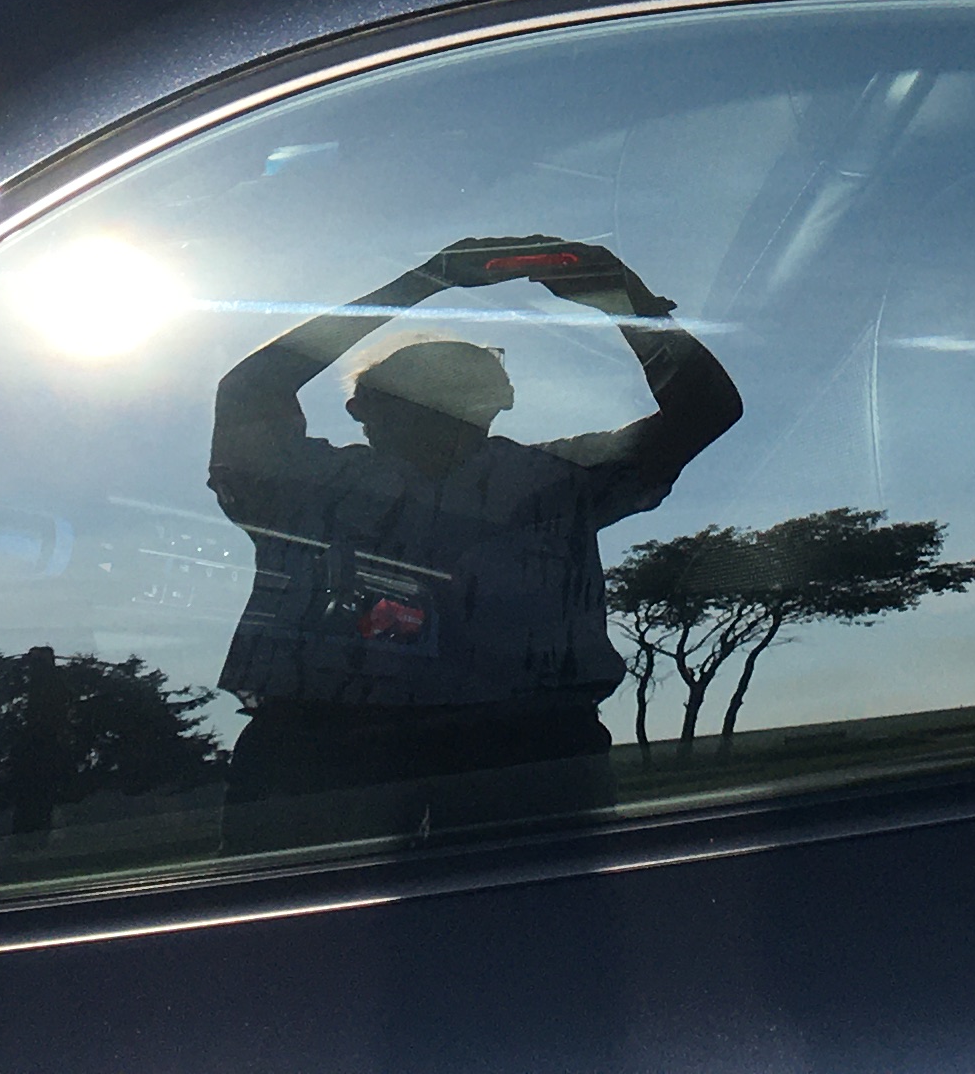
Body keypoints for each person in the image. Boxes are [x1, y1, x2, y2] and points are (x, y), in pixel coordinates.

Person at [207, 233, 741, 850]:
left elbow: (705, 410)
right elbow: (249, 391)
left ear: (497, 401)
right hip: (327, 748)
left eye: (455, 387)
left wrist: (627, 299)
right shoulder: (305, 486)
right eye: (419, 388)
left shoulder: (555, 480)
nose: (438, 404)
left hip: (524, 746)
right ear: (362, 408)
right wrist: (426, 280)